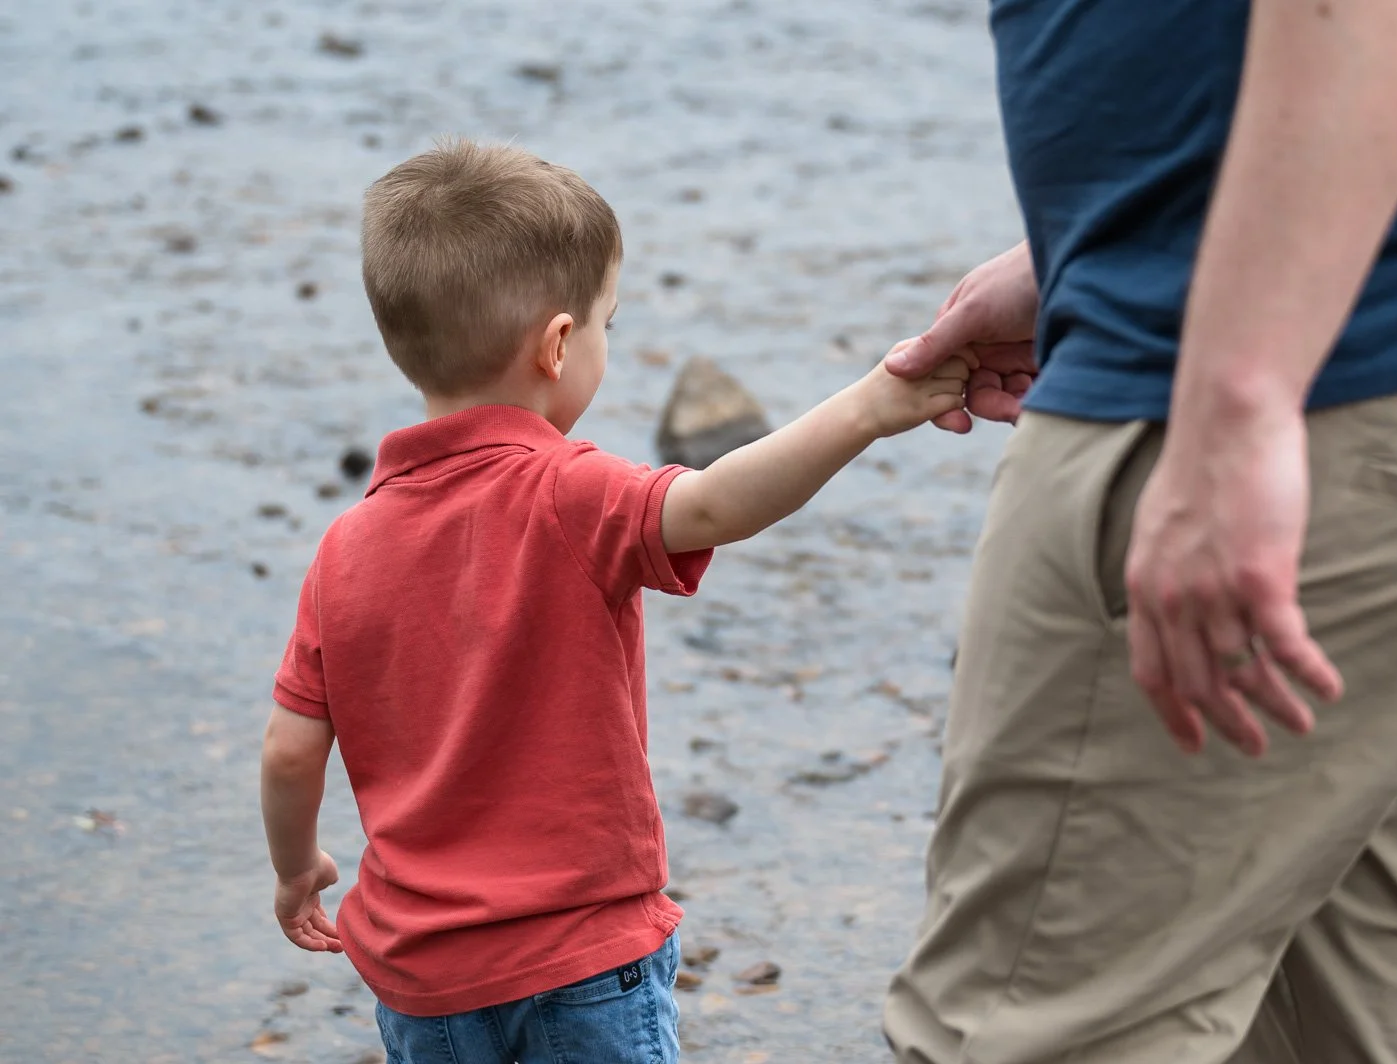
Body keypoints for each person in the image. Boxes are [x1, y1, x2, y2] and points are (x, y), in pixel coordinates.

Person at [883, 1, 1397, 1062]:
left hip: (1316, 389)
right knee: (1360, 1019)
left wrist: (1237, 397)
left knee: (1035, 1029)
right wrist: (1104, 232)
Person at [258, 139, 970, 1064]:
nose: (606, 345)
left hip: (422, 980)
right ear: (559, 346)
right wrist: (874, 405)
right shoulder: (566, 493)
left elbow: (288, 748)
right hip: (580, 962)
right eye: (608, 325)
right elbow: (717, 500)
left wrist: (296, 868)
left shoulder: (344, 547)